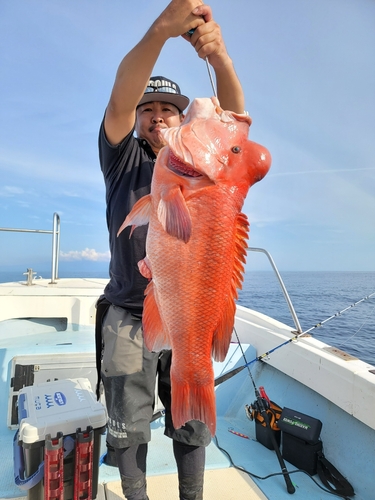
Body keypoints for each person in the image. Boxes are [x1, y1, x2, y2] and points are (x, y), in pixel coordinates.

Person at [96, 1, 245, 499]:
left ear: (183, 121)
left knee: (191, 420)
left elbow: (234, 123)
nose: (158, 116)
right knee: (127, 425)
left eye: (169, 110)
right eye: (148, 109)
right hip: (130, 311)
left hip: (189, 310)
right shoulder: (123, 156)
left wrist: (220, 58)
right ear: (136, 119)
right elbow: (119, 99)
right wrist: (162, 29)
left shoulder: (204, 169)